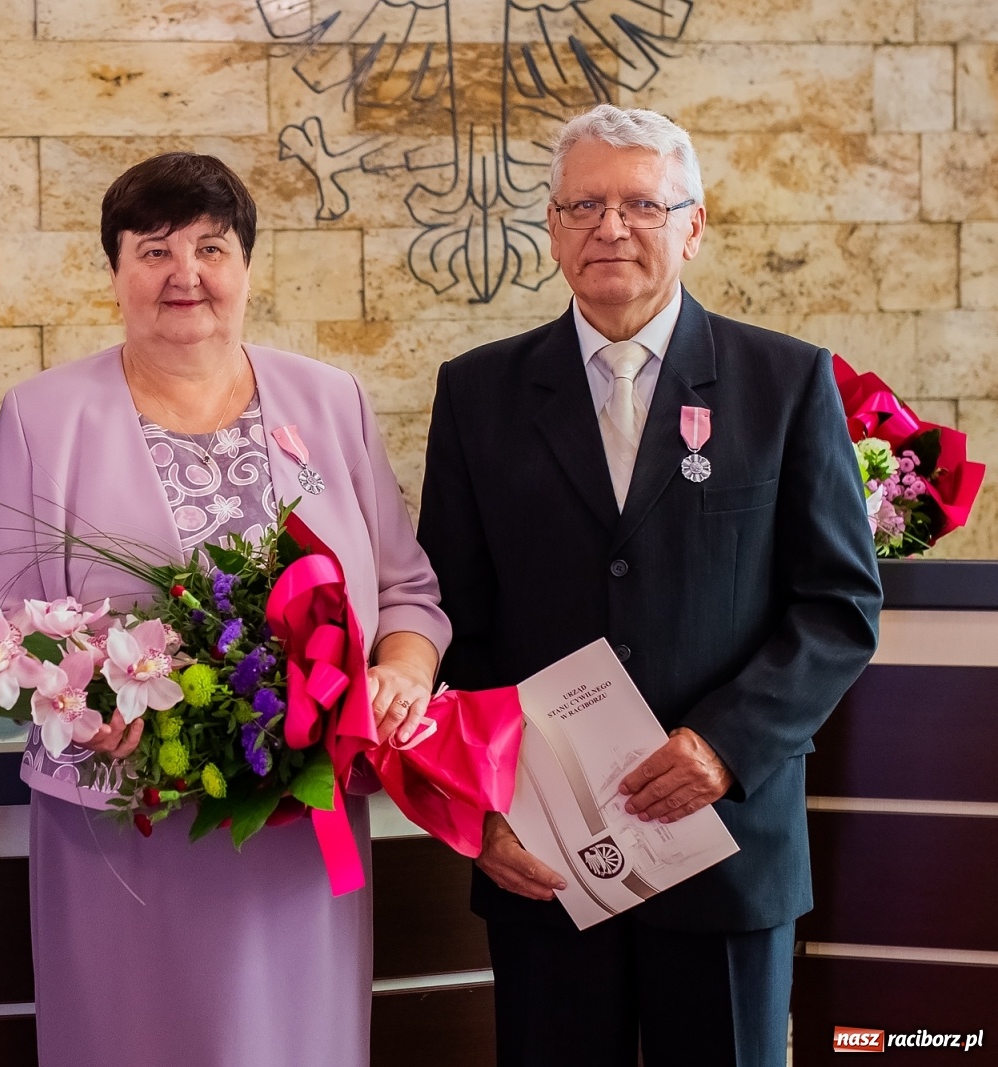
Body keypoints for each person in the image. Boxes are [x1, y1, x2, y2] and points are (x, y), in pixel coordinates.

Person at [416, 103, 882, 1067]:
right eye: (583, 205)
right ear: (551, 227)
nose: (610, 227)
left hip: (726, 843)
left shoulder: (786, 383)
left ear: (694, 225)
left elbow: (837, 607)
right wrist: (483, 806)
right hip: (545, 856)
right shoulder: (476, 394)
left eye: (641, 203)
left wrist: (727, 745)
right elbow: (450, 622)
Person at [0, 152, 450, 1066]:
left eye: (211, 248)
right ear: (115, 274)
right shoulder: (43, 415)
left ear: (248, 269)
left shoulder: (330, 400)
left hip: (301, 827)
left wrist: (400, 671)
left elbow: (406, 589)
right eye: (154, 250)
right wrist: (85, 705)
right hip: (123, 821)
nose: (185, 274)